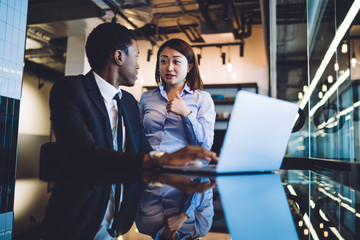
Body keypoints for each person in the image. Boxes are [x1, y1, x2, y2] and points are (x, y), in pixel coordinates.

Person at [43, 23, 217, 240]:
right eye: (136, 56)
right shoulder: (70, 89)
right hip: (77, 217)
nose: (138, 65)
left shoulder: (127, 102)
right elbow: (85, 154)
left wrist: (166, 164)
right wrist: (159, 163)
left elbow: (141, 147)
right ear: (118, 56)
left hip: (120, 214)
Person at [136, 38, 216, 240]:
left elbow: (205, 146)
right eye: (163, 61)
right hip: (149, 173)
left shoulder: (202, 99)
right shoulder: (147, 98)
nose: (168, 67)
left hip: (188, 176)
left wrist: (186, 113)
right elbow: (136, 138)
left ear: (189, 66)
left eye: (176, 61)